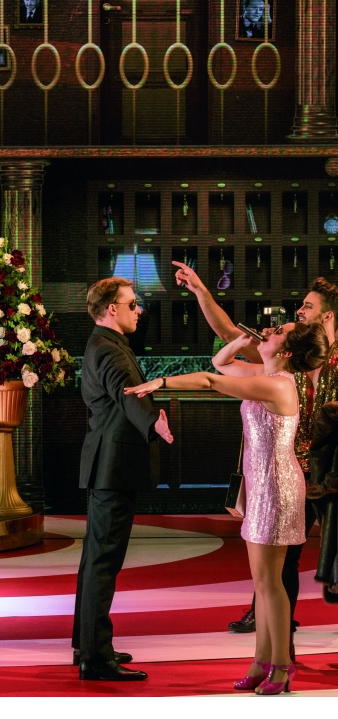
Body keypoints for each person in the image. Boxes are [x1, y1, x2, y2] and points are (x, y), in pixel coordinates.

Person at [126, 321, 328, 693]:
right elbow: (220, 363)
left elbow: (210, 380)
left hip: (277, 487)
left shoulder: (278, 384)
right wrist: (240, 341)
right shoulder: (264, 374)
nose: (268, 330)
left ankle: (281, 666)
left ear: (286, 352)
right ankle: (261, 661)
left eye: (278, 331)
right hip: (262, 485)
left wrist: (161, 382)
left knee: (270, 584)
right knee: (262, 583)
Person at [174, 263, 337, 647]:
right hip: (290, 472)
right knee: (284, 561)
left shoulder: (311, 353)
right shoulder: (289, 353)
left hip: (330, 473)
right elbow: (230, 337)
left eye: (308, 307)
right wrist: (200, 291)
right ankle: (281, 644)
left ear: (328, 316)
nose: (299, 311)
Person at [74, 278, 173, 681]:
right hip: (113, 467)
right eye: (132, 304)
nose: (139, 310)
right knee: (103, 562)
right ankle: (96, 658)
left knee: (95, 560)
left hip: (107, 465)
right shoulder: (108, 349)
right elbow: (127, 392)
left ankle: (87, 644)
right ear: (111, 309)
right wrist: (153, 422)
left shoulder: (104, 343)